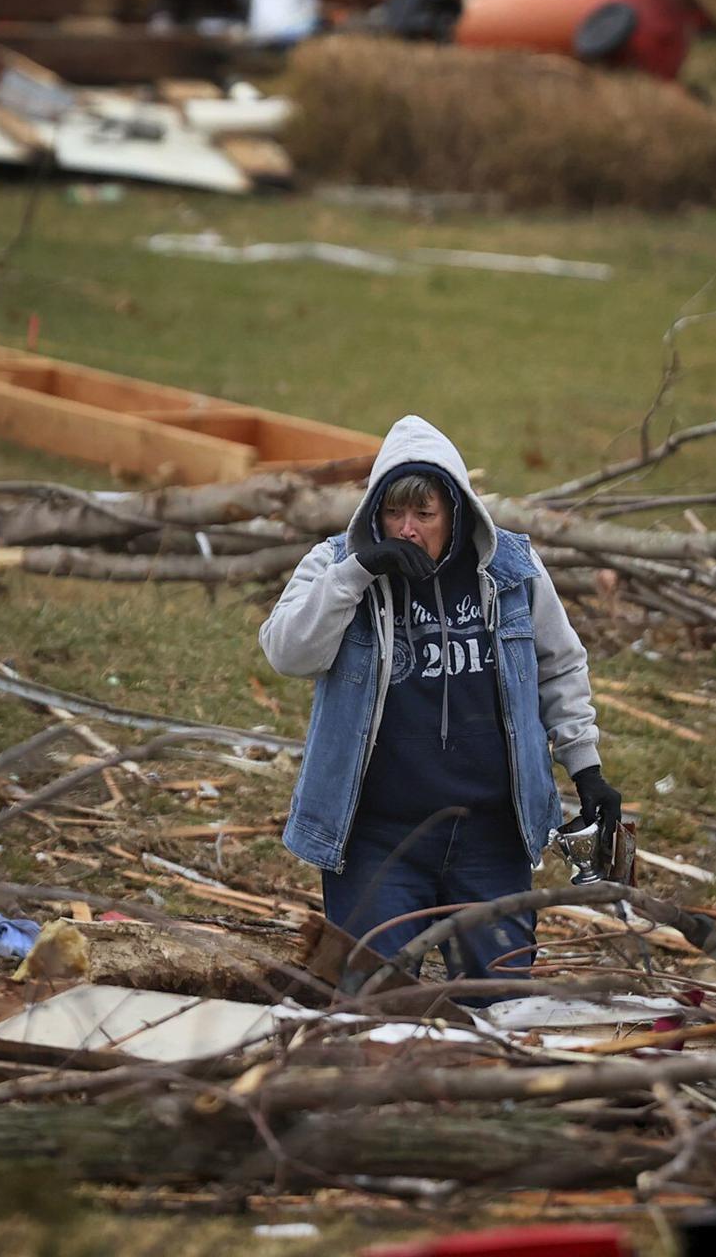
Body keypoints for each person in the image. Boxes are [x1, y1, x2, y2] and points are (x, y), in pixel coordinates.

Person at [261, 416, 617, 994]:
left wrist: (588, 768)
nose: (406, 529)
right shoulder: (335, 566)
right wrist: (358, 572)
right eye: (392, 514)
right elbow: (287, 653)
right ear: (372, 513)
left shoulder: (512, 570)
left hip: (491, 836)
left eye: (423, 515)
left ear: (455, 511)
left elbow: (561, 664)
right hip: (377, 838)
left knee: (498, 997)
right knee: (369, 999)